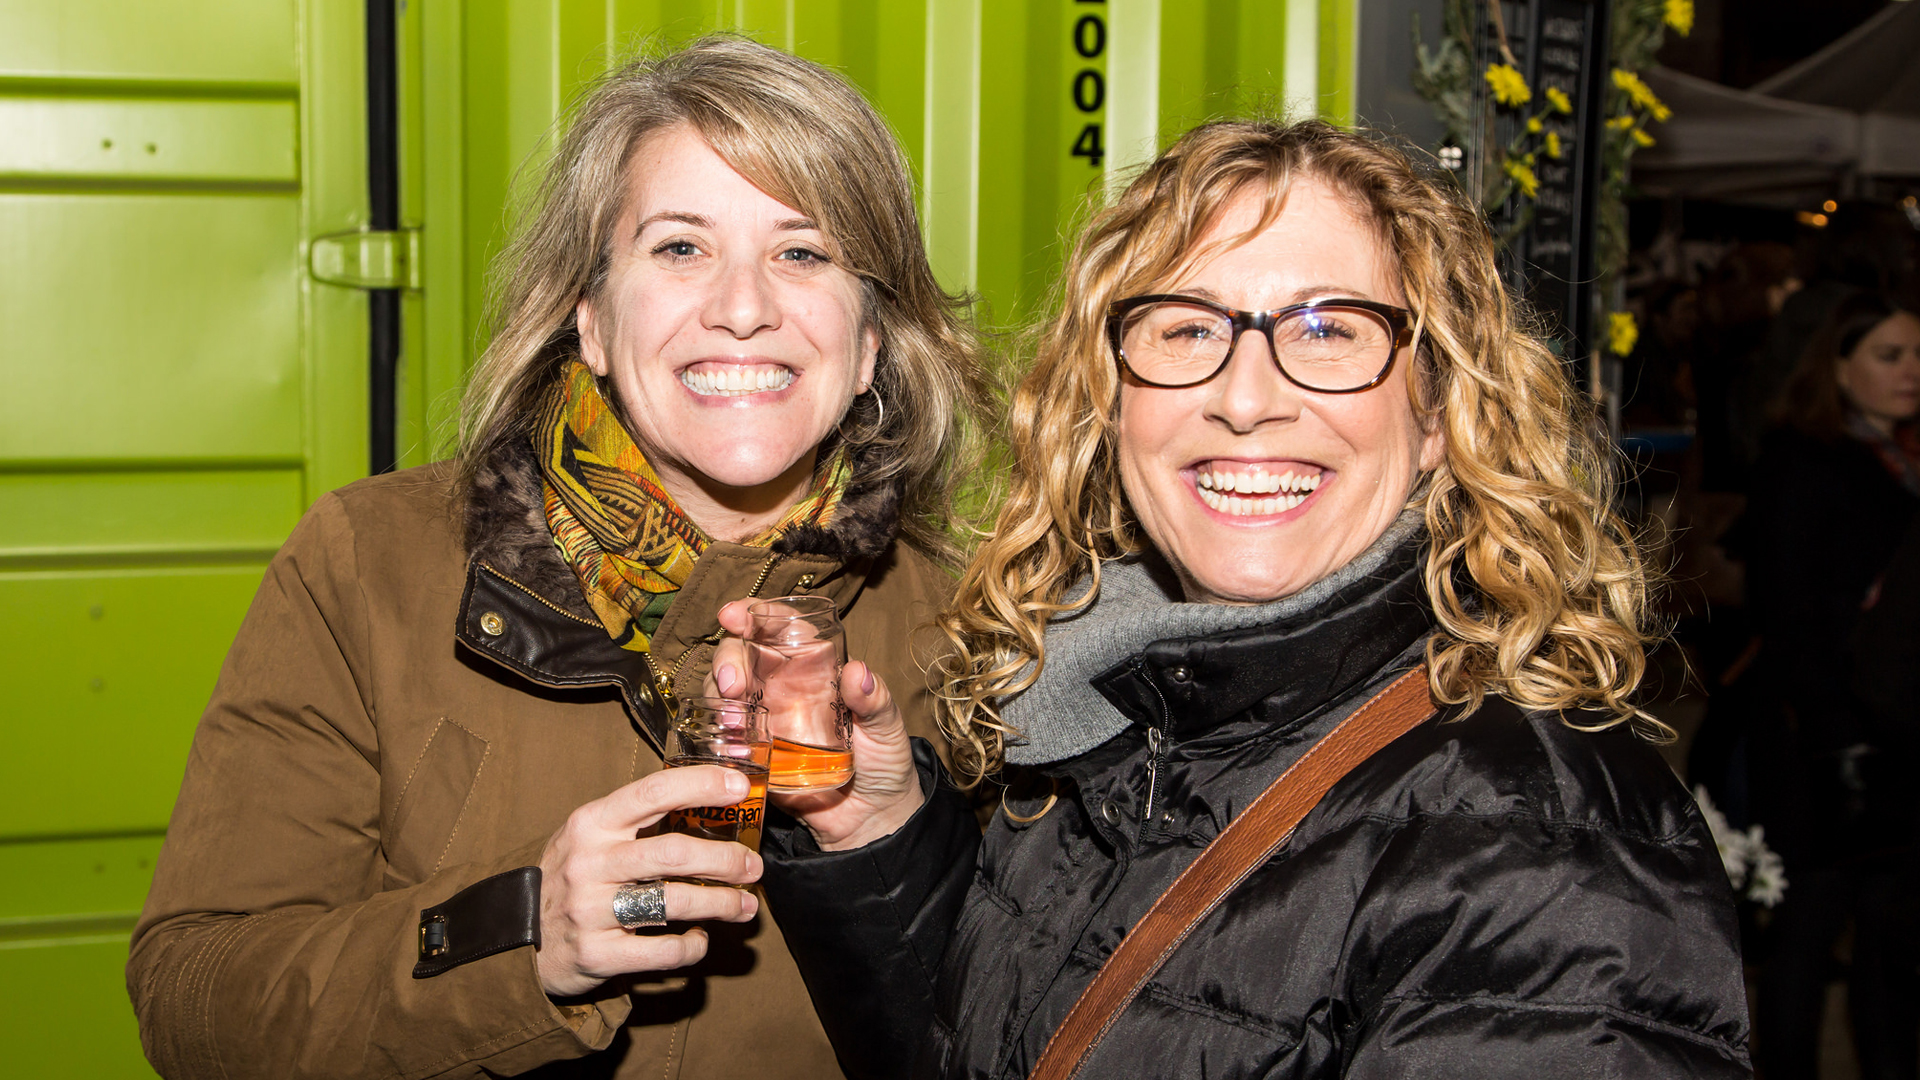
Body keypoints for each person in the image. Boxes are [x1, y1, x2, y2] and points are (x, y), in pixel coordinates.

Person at [754, 119, 1753, 1078]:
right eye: (1188, 328)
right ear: (1110, 401)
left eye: (1329, 330)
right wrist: (874, 831)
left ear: (1439, 413)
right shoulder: (1113, 722)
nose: (1244, 398)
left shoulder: (1538, 842)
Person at [126, 36, 987, 1080]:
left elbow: (1028, 1027)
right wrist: (521, 932)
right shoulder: (369, 565)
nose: (744, 305)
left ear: (868, 346)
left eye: (803, 253)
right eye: (681, 247)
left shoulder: (974, 626)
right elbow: (196, 1001)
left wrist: (893, 857)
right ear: (591, 320)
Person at [1734, 291, 1920, 1080]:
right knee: (1807, 930)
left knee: (1888, 936)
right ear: (1838, 369)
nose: (1912, 372)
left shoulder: (1900, 457)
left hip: (1894, 729)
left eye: (1919, 355)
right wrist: (1833, 733)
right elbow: (1789, 611)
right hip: (1818, 734)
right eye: (1890, 356)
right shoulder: (1803, 460)